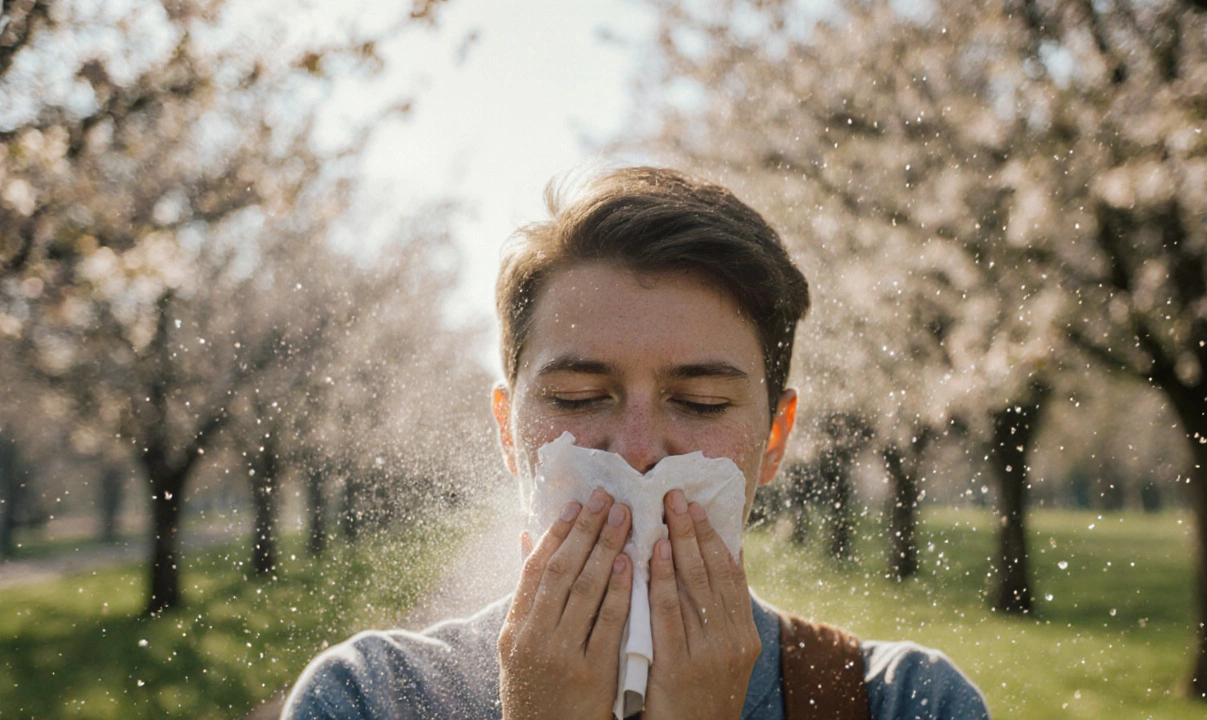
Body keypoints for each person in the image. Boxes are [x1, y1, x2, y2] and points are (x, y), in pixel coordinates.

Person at [281, 167, 990, 719]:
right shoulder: (372, 699)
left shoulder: (905, 704)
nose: (637, 447)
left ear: (774, 439)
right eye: (580, 398)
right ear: (507, 431)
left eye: (701, 401)